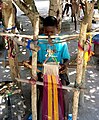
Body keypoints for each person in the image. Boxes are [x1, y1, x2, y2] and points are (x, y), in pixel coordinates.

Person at [30, 16, 70, 120]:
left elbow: (66, 59)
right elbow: (31, 57)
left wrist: (63, 65)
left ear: (57, 29)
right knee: (43, 90)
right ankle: (40, 116)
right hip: (43, 71)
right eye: (46, 32)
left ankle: (65, 115)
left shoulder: (61, 41)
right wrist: (35, 63)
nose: (48, 35)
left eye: (51, 32)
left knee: (64, 90)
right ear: (43, 30)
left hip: (59, 71)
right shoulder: (39, 41)